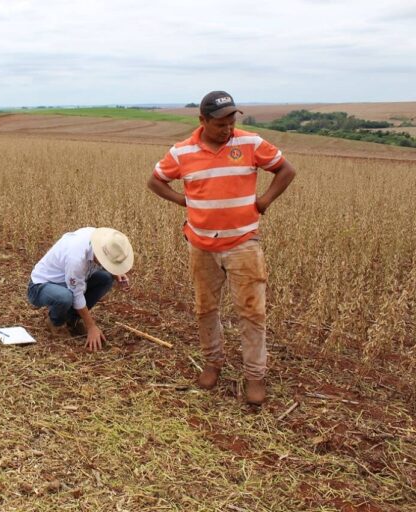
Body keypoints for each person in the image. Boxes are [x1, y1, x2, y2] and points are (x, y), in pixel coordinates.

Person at [147, 91, 296, 405]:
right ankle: (213, 363)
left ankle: (255, 376)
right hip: (201, 245)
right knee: (206, 309)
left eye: (231, 121)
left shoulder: (251, 144)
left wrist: (264, 201)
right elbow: (156, 181)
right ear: (202, 121)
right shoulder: (181, 152)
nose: (227, 128)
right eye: (219, 123)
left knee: (252, 312)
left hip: (244, 244)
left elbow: (286, 170)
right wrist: (183, 201)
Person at [27, 227, 134, 351]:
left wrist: (115, 272)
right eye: (108, 262)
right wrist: (91, 326)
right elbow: (76, 294)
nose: (107, 265)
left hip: (68, 281)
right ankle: (56, 322)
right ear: (100, 255)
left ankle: (72, 319)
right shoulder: (76, 259)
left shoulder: (99, 240)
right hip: (41, 285)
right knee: (65, 297)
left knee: (106, 278)